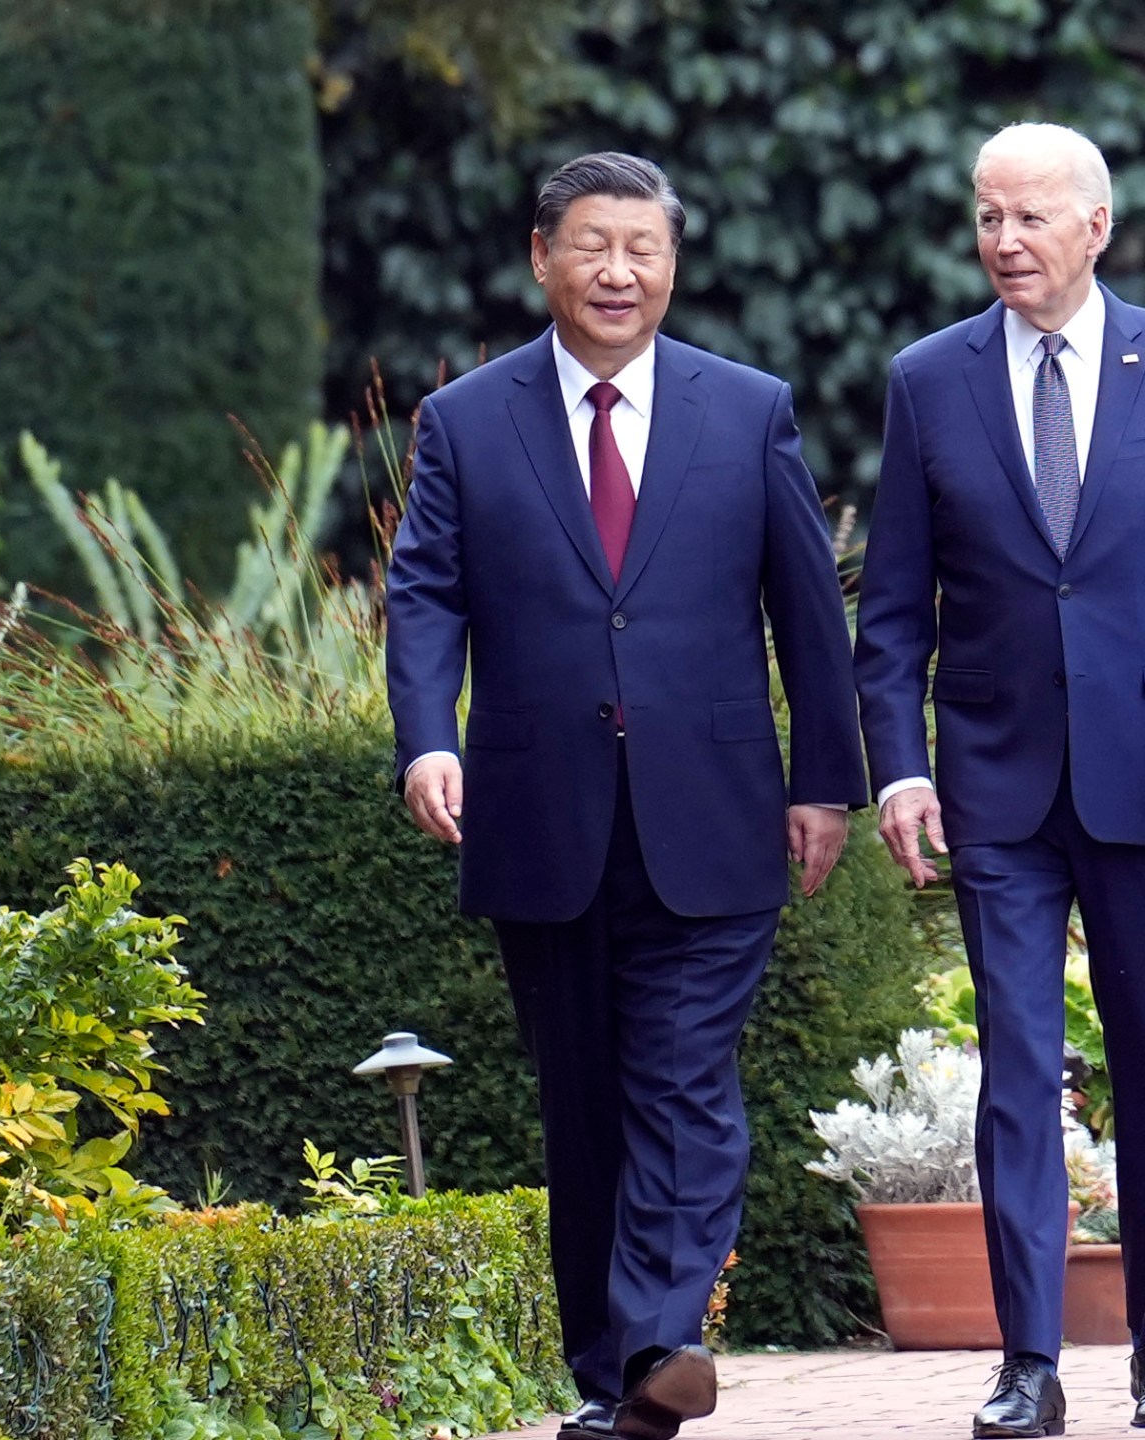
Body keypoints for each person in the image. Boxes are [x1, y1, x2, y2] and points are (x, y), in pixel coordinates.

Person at [385, 151, 865, 1440]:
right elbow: (425, 592)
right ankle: (610, 1379)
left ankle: (661, 1335)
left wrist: (828, 781)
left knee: (686, 1080)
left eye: (643, 248)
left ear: (672, 263)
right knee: (584, 1101)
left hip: (711, 813)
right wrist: (428, 739)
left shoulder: (746, 407)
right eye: (593, 245)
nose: (619, 271)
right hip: (541, 819)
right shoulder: (467, 421)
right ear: (541, 256)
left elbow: (806, 613)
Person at [853, 121, 1145, 1437]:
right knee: (1018, 1066)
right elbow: (894, 613)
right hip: (996, 784)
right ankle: (1028, 1366)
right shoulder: (929, 383)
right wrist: (900, 770)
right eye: (988, 216)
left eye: (1031, 217)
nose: (1005, 242)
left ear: (1096, 226)